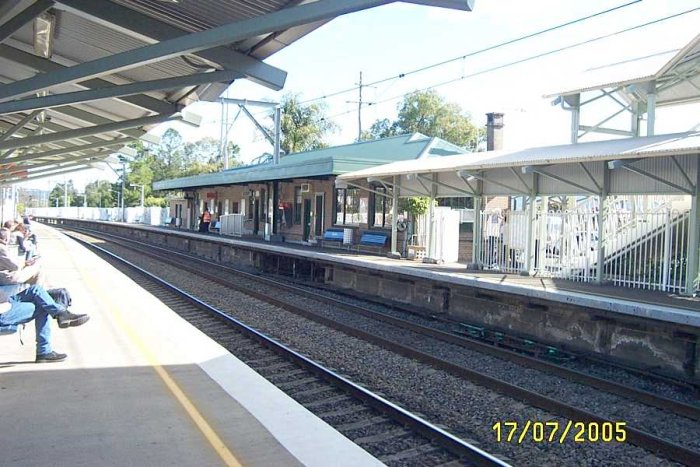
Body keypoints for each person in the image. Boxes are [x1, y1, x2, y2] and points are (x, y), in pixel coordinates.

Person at [0, 284, 89, 362]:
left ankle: (61, 314)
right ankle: (44, 351)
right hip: (4, 311)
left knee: (36, 289)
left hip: (8, 301)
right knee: (43, 304)